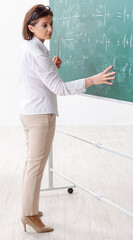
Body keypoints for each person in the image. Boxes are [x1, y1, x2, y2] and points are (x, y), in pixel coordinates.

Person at [18, 4, 115, 233]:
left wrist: (52, 68)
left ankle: (28, 208)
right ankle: (30, 215)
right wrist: (91, 80)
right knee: (36, 167)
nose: (50, 29)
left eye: (51, 24)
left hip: (29, 112)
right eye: (44, 25)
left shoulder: (33, 48)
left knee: (31, 165)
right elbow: (59, 89)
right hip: (40, 115)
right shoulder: (37, 52)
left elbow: (38, 79)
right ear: (31, 27)